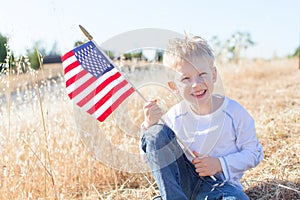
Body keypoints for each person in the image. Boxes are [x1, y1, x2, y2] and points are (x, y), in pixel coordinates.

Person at [140, 34, 264, 200]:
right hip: (181, 188)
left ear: (213, 75)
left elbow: (254, 153)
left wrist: (219, 164)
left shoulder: (234, 113)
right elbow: (151, 160)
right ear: (173, 86)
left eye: (202, 74)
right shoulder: (174, 117)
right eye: (185, 78)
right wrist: (149, 126)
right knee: (154, 134)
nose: (196, 84)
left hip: (220, 188)